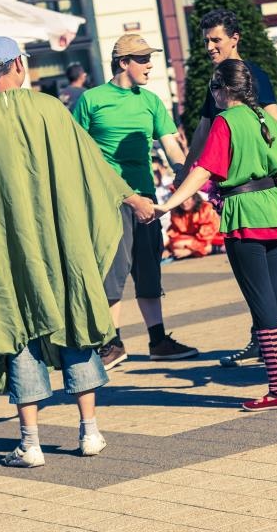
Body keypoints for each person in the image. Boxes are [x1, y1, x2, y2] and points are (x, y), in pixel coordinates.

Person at [0, 36, 154, 465]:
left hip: (7, 254)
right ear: (18, 66)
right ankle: (90, 432)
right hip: (60, 243)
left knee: (19, 329)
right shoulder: (49, 109)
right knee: (73, 319)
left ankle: (30, 443)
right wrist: (132, 198)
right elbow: (92, 164)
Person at [155, 58, 277, 410]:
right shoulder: (264, 117)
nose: (213, 95)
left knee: (262, 303)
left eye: (214, 88)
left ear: (226, 89)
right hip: (274, 210)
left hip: (244, 212)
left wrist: (169, 204)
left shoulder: (225, 121)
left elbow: (204, 170)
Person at [182, 9, 277, 366]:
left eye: (216, 40)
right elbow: (203, 130)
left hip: (262, 189)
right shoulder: (218, 80)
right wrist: (184, 171)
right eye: (206, 41)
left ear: (234, 38)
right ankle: (270, 341)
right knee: (266, 274)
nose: (209, 47)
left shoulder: (252, 75)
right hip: (240, 194)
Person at [74, 34, 198, 369]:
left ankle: (158, 341)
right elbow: (77, 151)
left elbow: (170, 143)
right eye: (142, 59)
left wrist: (183, 171)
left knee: (149, 270)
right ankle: (111, 343)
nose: (149, 65)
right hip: (108, 202)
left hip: (146, 199)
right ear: (123, 62)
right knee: (112, 272)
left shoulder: (151, 101)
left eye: (149, 58)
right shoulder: (91, 100)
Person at [162, 194, 221, 261]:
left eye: (187, 199)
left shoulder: (205, 208)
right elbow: (174, 232)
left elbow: (206, 237)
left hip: (211, 238)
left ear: (194, 197)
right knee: (175, 244)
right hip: (192, 239)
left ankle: (215, 248)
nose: (184, 203)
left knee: (180, 245)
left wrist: (189, 251)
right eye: (181, 200)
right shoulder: (176, 212)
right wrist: (168, 248)